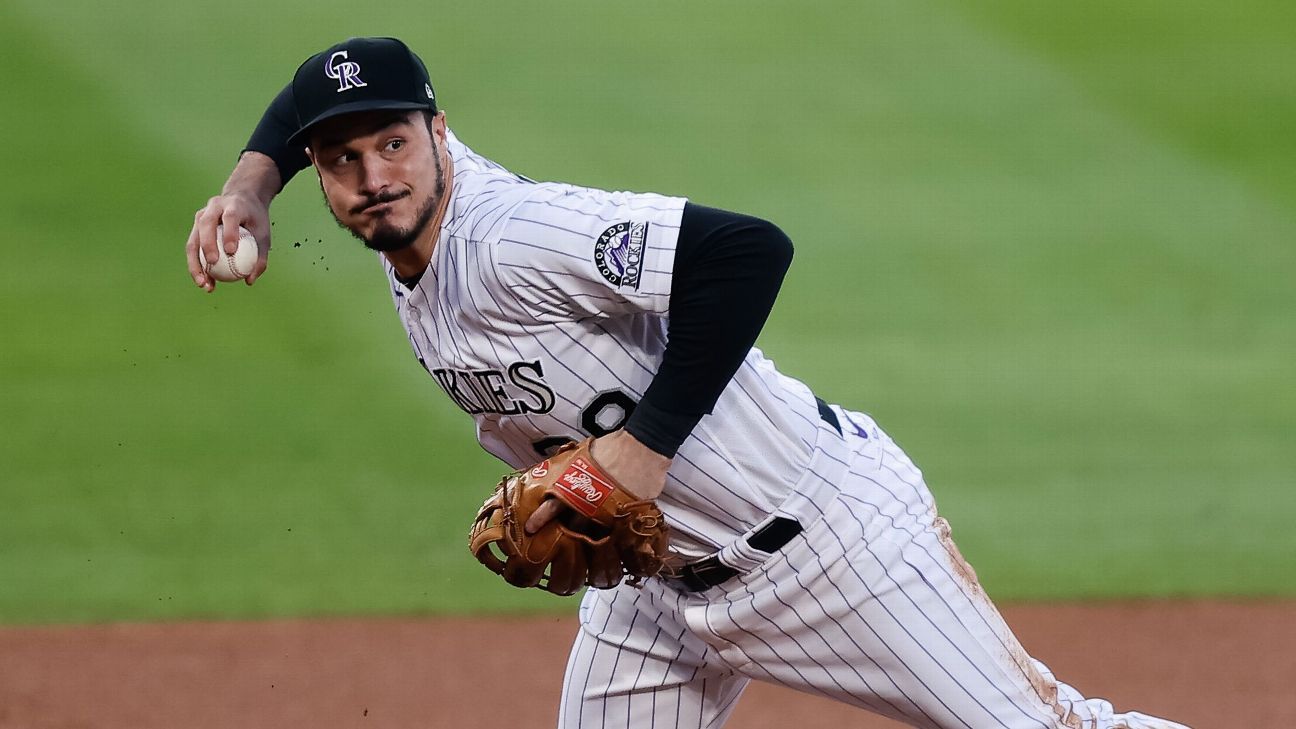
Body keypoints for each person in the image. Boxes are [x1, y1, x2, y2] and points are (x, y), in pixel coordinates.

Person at [185, 37, 1190, 729]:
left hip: (826, 547)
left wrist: (638, 449)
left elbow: (747, 252)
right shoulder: (394, 208)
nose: (373, 177)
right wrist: (247, 185)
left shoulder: (510, 240)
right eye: (342, 160)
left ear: (441, 135)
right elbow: (307, 102)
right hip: (655, 584)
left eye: (394, 145)